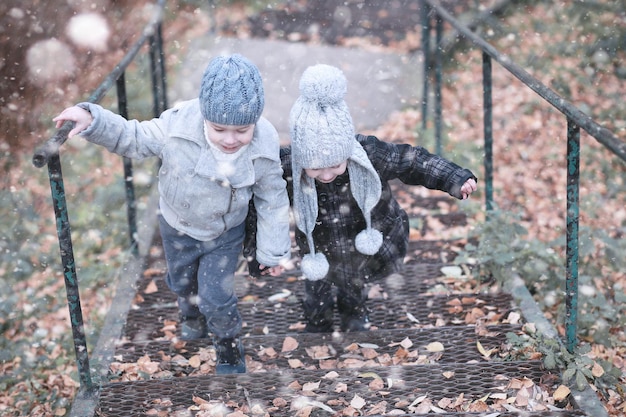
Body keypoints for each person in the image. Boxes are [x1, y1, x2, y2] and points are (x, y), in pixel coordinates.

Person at [53, 54, 291, 374]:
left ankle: (228, 346)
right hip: (177, 225)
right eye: (220, 129)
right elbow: (133, 137)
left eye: (242, 130)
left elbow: (272, 198)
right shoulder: (177, 127)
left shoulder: (262, 144)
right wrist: (93, 120)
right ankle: (190, 313)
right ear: (205, 116)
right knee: (181, 282)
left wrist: (272, 250)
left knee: (216, 295)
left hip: (224, 233)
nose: (231, 139)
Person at [246, 63, 477, 333]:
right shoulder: (287, 169)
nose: (327, 174)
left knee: (355, 278)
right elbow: (261, 208)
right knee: (318, 284)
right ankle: (317, 319)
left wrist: (453, 177)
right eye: (316, 167)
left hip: (362, 232)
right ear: (300, 159)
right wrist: (258, 253)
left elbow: (412, 161)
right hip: (318, 243)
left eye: (335, 165)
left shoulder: (367, 154)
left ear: (347, 151)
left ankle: (354, 312)